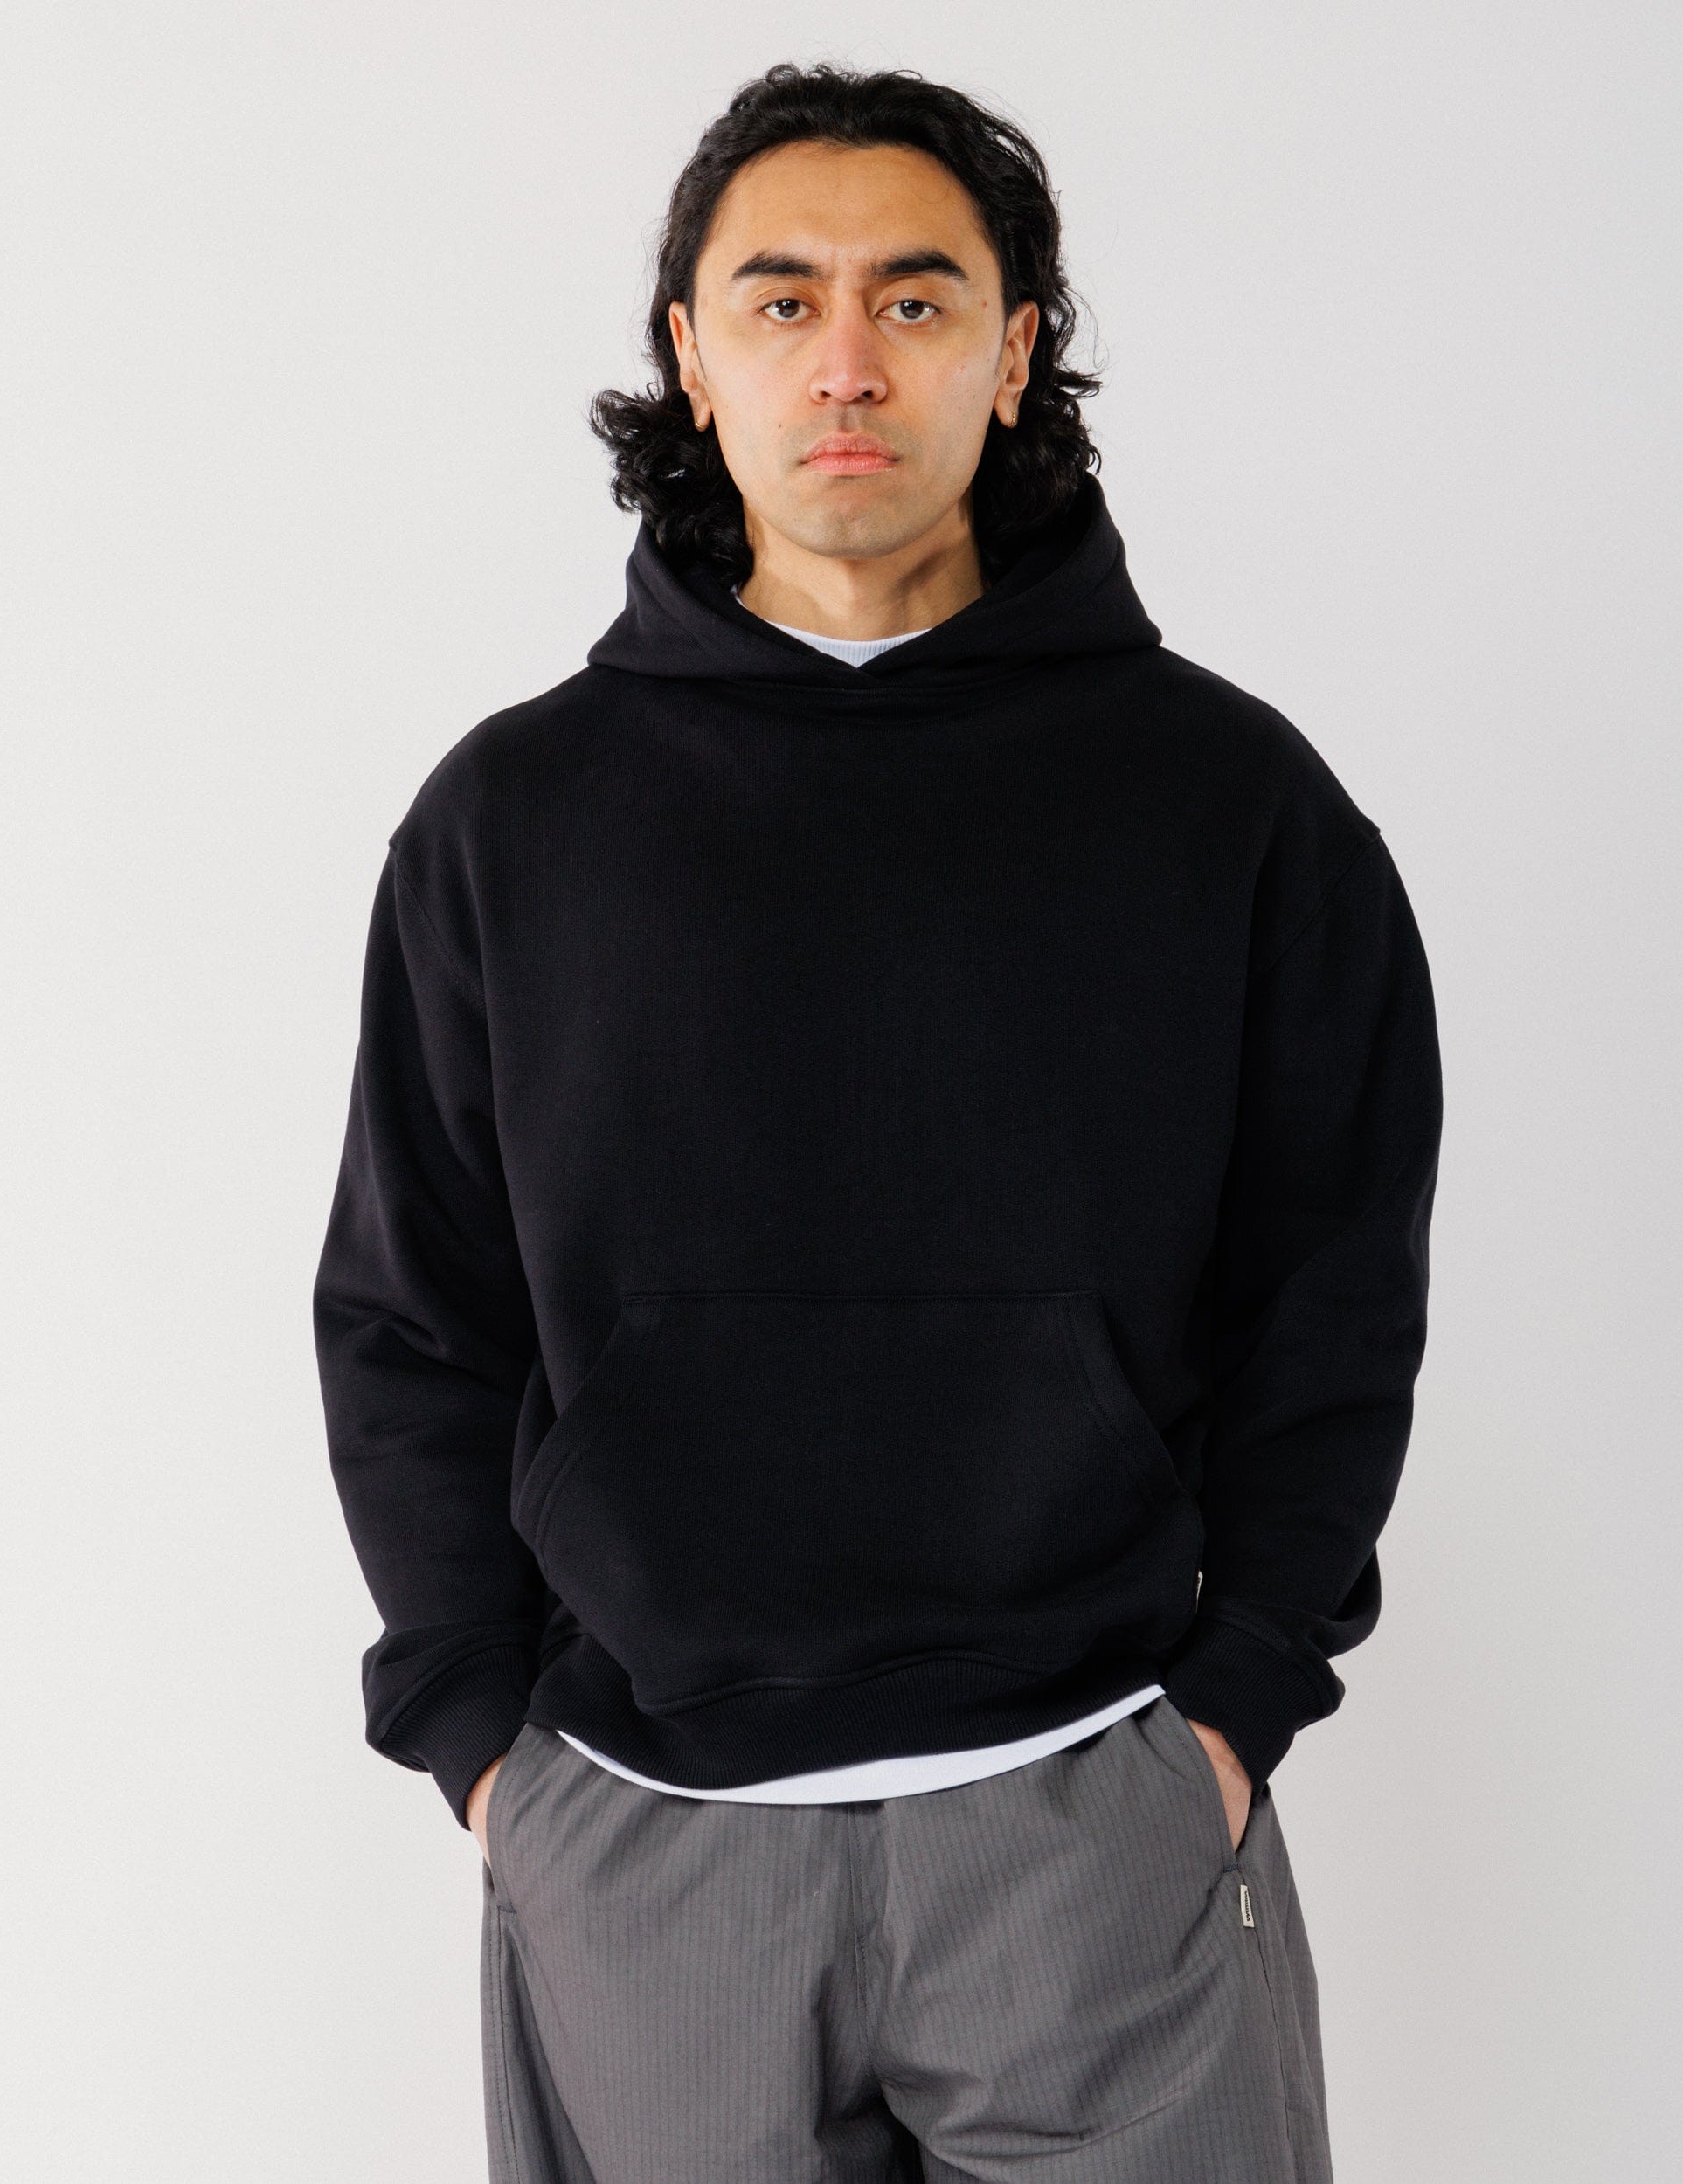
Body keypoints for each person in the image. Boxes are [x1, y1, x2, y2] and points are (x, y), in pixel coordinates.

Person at [314, 60, 1442, 2184]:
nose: (846, 358)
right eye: (782, 298)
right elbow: (411, 1309)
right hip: (644, 1838)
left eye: (916, 300)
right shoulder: (509, 823)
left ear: (1014, 355)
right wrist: (481, 1743)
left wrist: (1232, 1705)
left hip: (1092, 1816)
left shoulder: (1232, 805)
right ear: (692, 354)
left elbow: (1332, 1289)